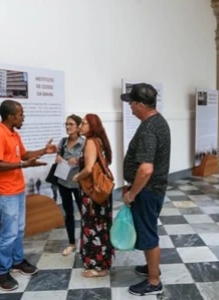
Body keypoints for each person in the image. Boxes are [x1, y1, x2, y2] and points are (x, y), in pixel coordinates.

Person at [0, 99, 57, 291]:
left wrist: (44, 151)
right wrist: (22, 165)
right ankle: (0, 271)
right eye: (21, 115)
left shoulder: (13, 134)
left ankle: (17, 261)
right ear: (11, 117)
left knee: (18, 229)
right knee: (8, 233)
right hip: (4, 192)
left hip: (17, 190)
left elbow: (24, 155)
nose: (23, 117)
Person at [120, 83, 171, 296]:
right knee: (147, 231)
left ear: (141, 104)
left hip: (147, 191)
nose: (129, 106)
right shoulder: (158, 122)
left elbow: (146, 169)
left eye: (131, 102)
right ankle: (151, 268)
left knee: (149, 235)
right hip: (153, 189)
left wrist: (132, 194)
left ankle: (153, 281)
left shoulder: (149, 129)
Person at [72, 114, 114, 278]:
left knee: (93, 226)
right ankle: (102, 260)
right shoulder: (99, 140)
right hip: (100, 192)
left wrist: (77, 176)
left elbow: (89, 169)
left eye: (84, 123)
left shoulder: (90, 142)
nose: (80, 126)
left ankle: (98, 267)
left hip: (92, 193)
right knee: (101, 226)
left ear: (92, 126)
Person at [55, 114, 85, 256]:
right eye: (66, 124)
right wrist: (58, 159)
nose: (68, 127)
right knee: (68, 214)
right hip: (63, 182)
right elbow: (58, 158)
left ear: (78, 127)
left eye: (71, 124)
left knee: (84, 212)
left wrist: (79, 161)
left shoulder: (85, 143)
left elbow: (91, 163)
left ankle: (85, 240)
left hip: (79, 183)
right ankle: (71, 243)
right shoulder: (62, 142)